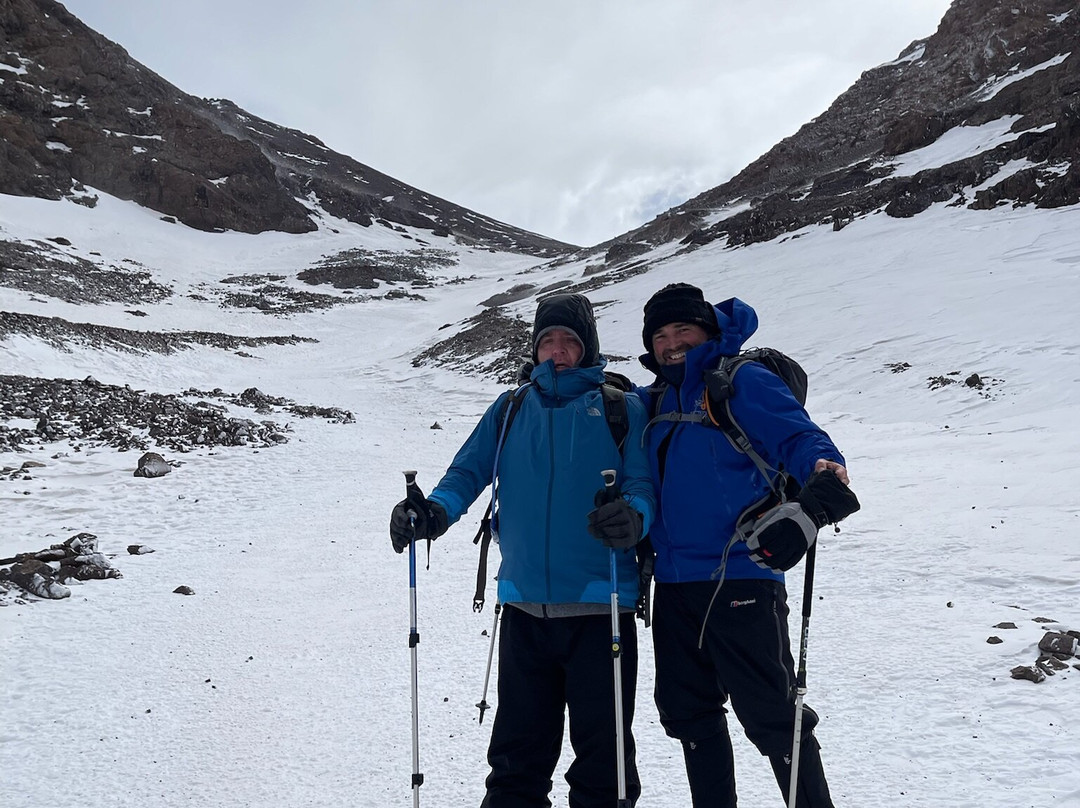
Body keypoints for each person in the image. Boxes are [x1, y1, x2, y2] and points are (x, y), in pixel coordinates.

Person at [389, 292, 656, 808]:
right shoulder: (510, 409)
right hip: (523, 608)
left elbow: (644, 485)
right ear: (535, 349)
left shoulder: (623, 410)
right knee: (515, 762)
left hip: (603, 609)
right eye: (547, 341)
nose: (557, 352)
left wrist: (634, 516)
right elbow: (468, 472)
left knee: (604, 765)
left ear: (588, 348)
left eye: (569, 342)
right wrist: (435, 512)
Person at [636, 283, 859, 808]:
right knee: (689, 714)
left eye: (682, 330)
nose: (671, 343)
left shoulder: (740, 381)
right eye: (661, 335)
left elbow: (801, 439)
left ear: (708, 331)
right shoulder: (657, 397)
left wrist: (821, 488)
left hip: (742, 575)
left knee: (773, 718)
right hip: (673, 584)